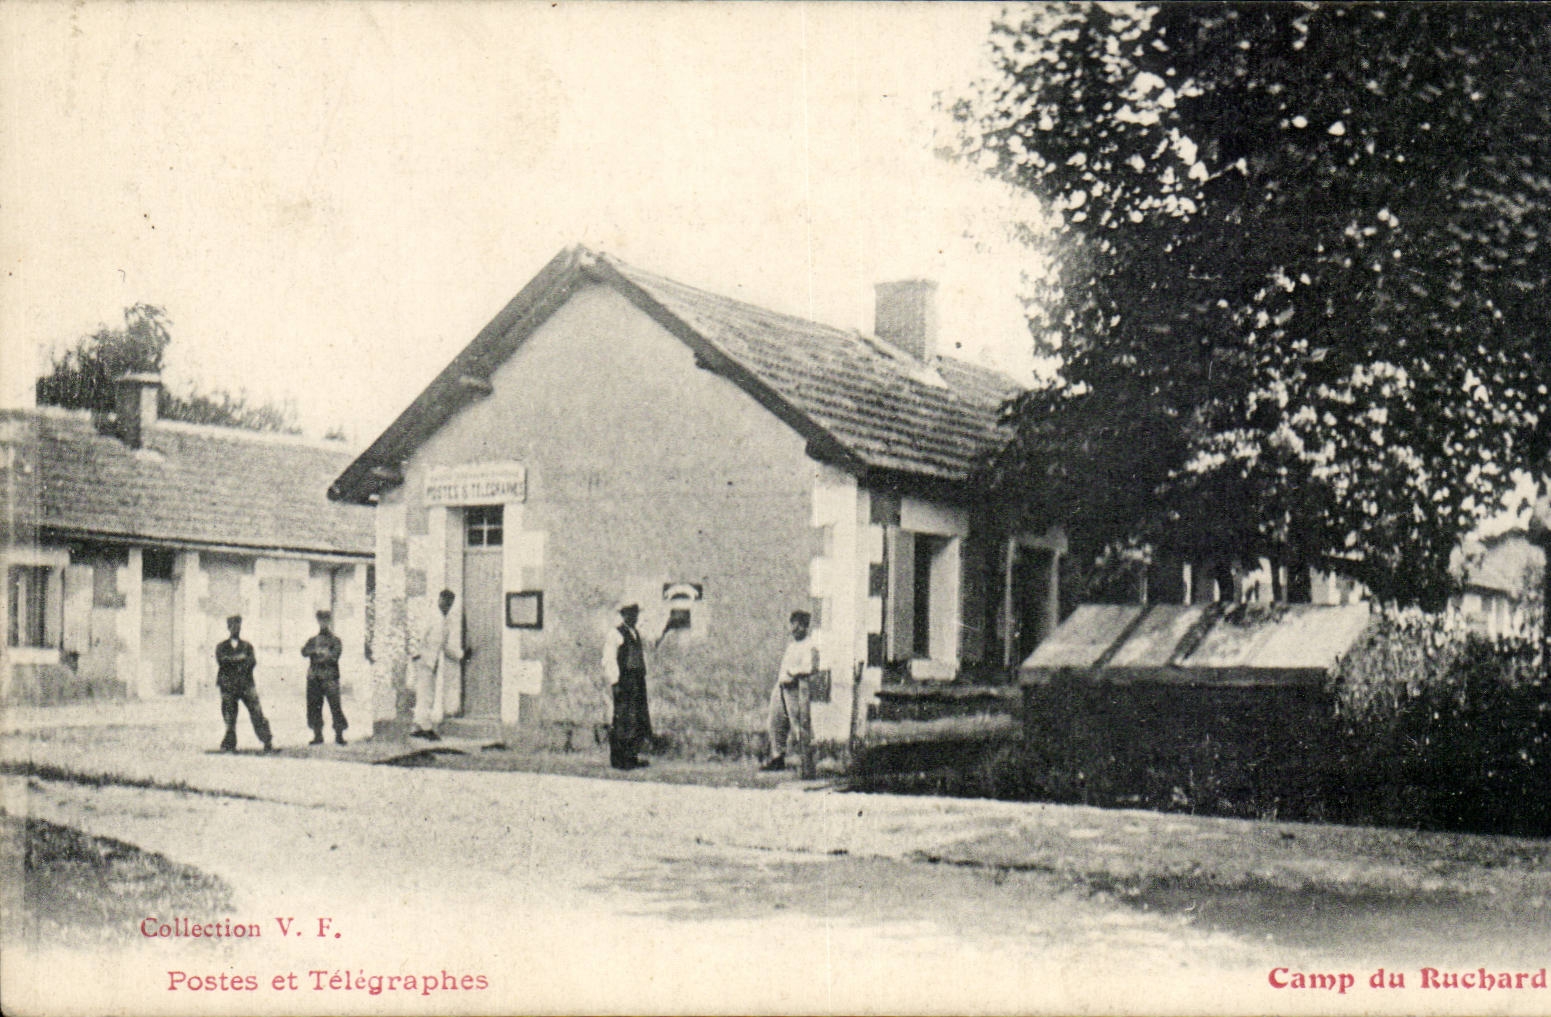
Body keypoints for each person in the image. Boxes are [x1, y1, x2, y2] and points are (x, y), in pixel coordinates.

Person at [761, 610, 818, 778]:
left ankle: (807, 763)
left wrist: (794, 672)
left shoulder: (811, 646)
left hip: (795, 690)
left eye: (799, 625)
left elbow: (811, 667)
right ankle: (777, 757)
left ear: (805, 627)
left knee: (799, 725)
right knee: (775, 721)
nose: (795, 629)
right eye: (793, 624)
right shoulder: (792, 646)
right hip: (781, 688)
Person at [409, 589, 468, 741]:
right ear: (439, 600)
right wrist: (417, 657)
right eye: (444, 602)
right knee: (425, 695)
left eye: (450, 603)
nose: (446, 606)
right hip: (423, 661)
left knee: (427, 694)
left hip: (432, 663)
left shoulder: (445, 622)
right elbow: (417, 637)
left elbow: (445, 646)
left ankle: (417, 726)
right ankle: (426, 728)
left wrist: (460, 656)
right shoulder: (430, 617)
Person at [602, 601, 653, 769]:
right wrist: (615, 682)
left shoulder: (635, 633)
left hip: (637, 680)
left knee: (636, 718)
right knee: (622, 719)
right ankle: (619, 759)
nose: (634, 616)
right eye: (630, 613)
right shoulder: (615, 634)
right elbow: (609, 660)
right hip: (624, 681)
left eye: (636, 613)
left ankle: (631, 756)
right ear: (623, 615)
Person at [215, 615, 274, 753]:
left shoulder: (247, 646)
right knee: (229, 715)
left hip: (246, 684)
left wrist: (234, 661)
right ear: (228, 627)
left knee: (256, 711)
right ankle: (229, 743)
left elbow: (251, 662)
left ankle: (267, 740)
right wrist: (239, 659)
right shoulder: (221, 646)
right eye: (233, 625)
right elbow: (222, 661)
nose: (236, 628)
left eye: (238, 625)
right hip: (228, 685)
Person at [301, 609, 348, 746]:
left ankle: (339, 734)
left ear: (329, 621)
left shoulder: (335, 640)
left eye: (325, 621)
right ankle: (317, 735)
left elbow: (334, 656)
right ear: (318, 622)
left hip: (330, 677)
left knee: (335, 706)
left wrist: (319, 654)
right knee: (314, 706)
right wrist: (317, 652)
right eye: (321, 621)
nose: (323, 623)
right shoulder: (313, 640)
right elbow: (304, 651)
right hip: (314, 677)